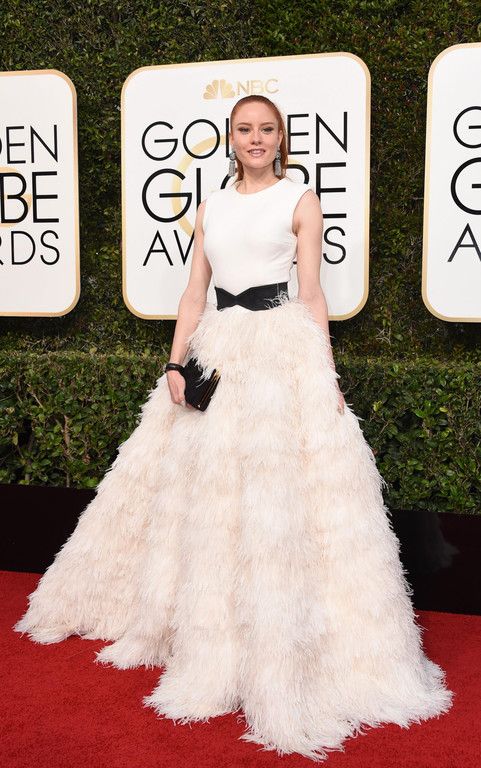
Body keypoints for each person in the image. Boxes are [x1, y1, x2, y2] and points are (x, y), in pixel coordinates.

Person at [15, 95, 454, 762]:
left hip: (278, 351)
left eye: (266, 129)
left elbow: (311, 294)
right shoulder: (212, 206)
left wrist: (326, 374)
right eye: (245, 129)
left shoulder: (299, 199)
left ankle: (282, 644)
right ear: (231, 137)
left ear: (281, 138)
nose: (256, 138)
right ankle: (203, 629)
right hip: (216, 351)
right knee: (205, 492)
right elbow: (195, 292)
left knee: (278, 497)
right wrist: (174, 362)